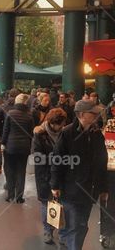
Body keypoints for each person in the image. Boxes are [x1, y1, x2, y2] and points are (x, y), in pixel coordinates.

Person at [52, 99, 109, 250]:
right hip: (72, 190)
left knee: (81, 225)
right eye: (93, 113)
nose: (97, 115)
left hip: (90, 191)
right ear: (82, 114)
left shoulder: (96, 134)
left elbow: (102, 163)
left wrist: (103, 188)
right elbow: (57, 160)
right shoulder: (67, 133)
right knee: (77, 227)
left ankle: (65, 242)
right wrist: (55, 185)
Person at [34, 108, 66, 245]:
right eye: (61, 124)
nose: (62, 127)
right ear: (53, 123)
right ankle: (48, 230)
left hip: (61, 174)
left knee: (63, 204)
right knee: (47, 204)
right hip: (45, 175)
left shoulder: (65, 133)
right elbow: (36, 157)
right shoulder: (40, 134)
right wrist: (54, 157)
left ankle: (63, 232)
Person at [2, 93, 35, 203]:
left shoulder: (10, 113)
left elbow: (5, 131)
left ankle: (10, 195)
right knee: (21, 171)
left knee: (10, 170)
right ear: (26, 103)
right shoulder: (29, 115)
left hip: (10, 147)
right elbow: (31, 133)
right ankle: (19, 197)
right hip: (24, 147)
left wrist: (3, 143)